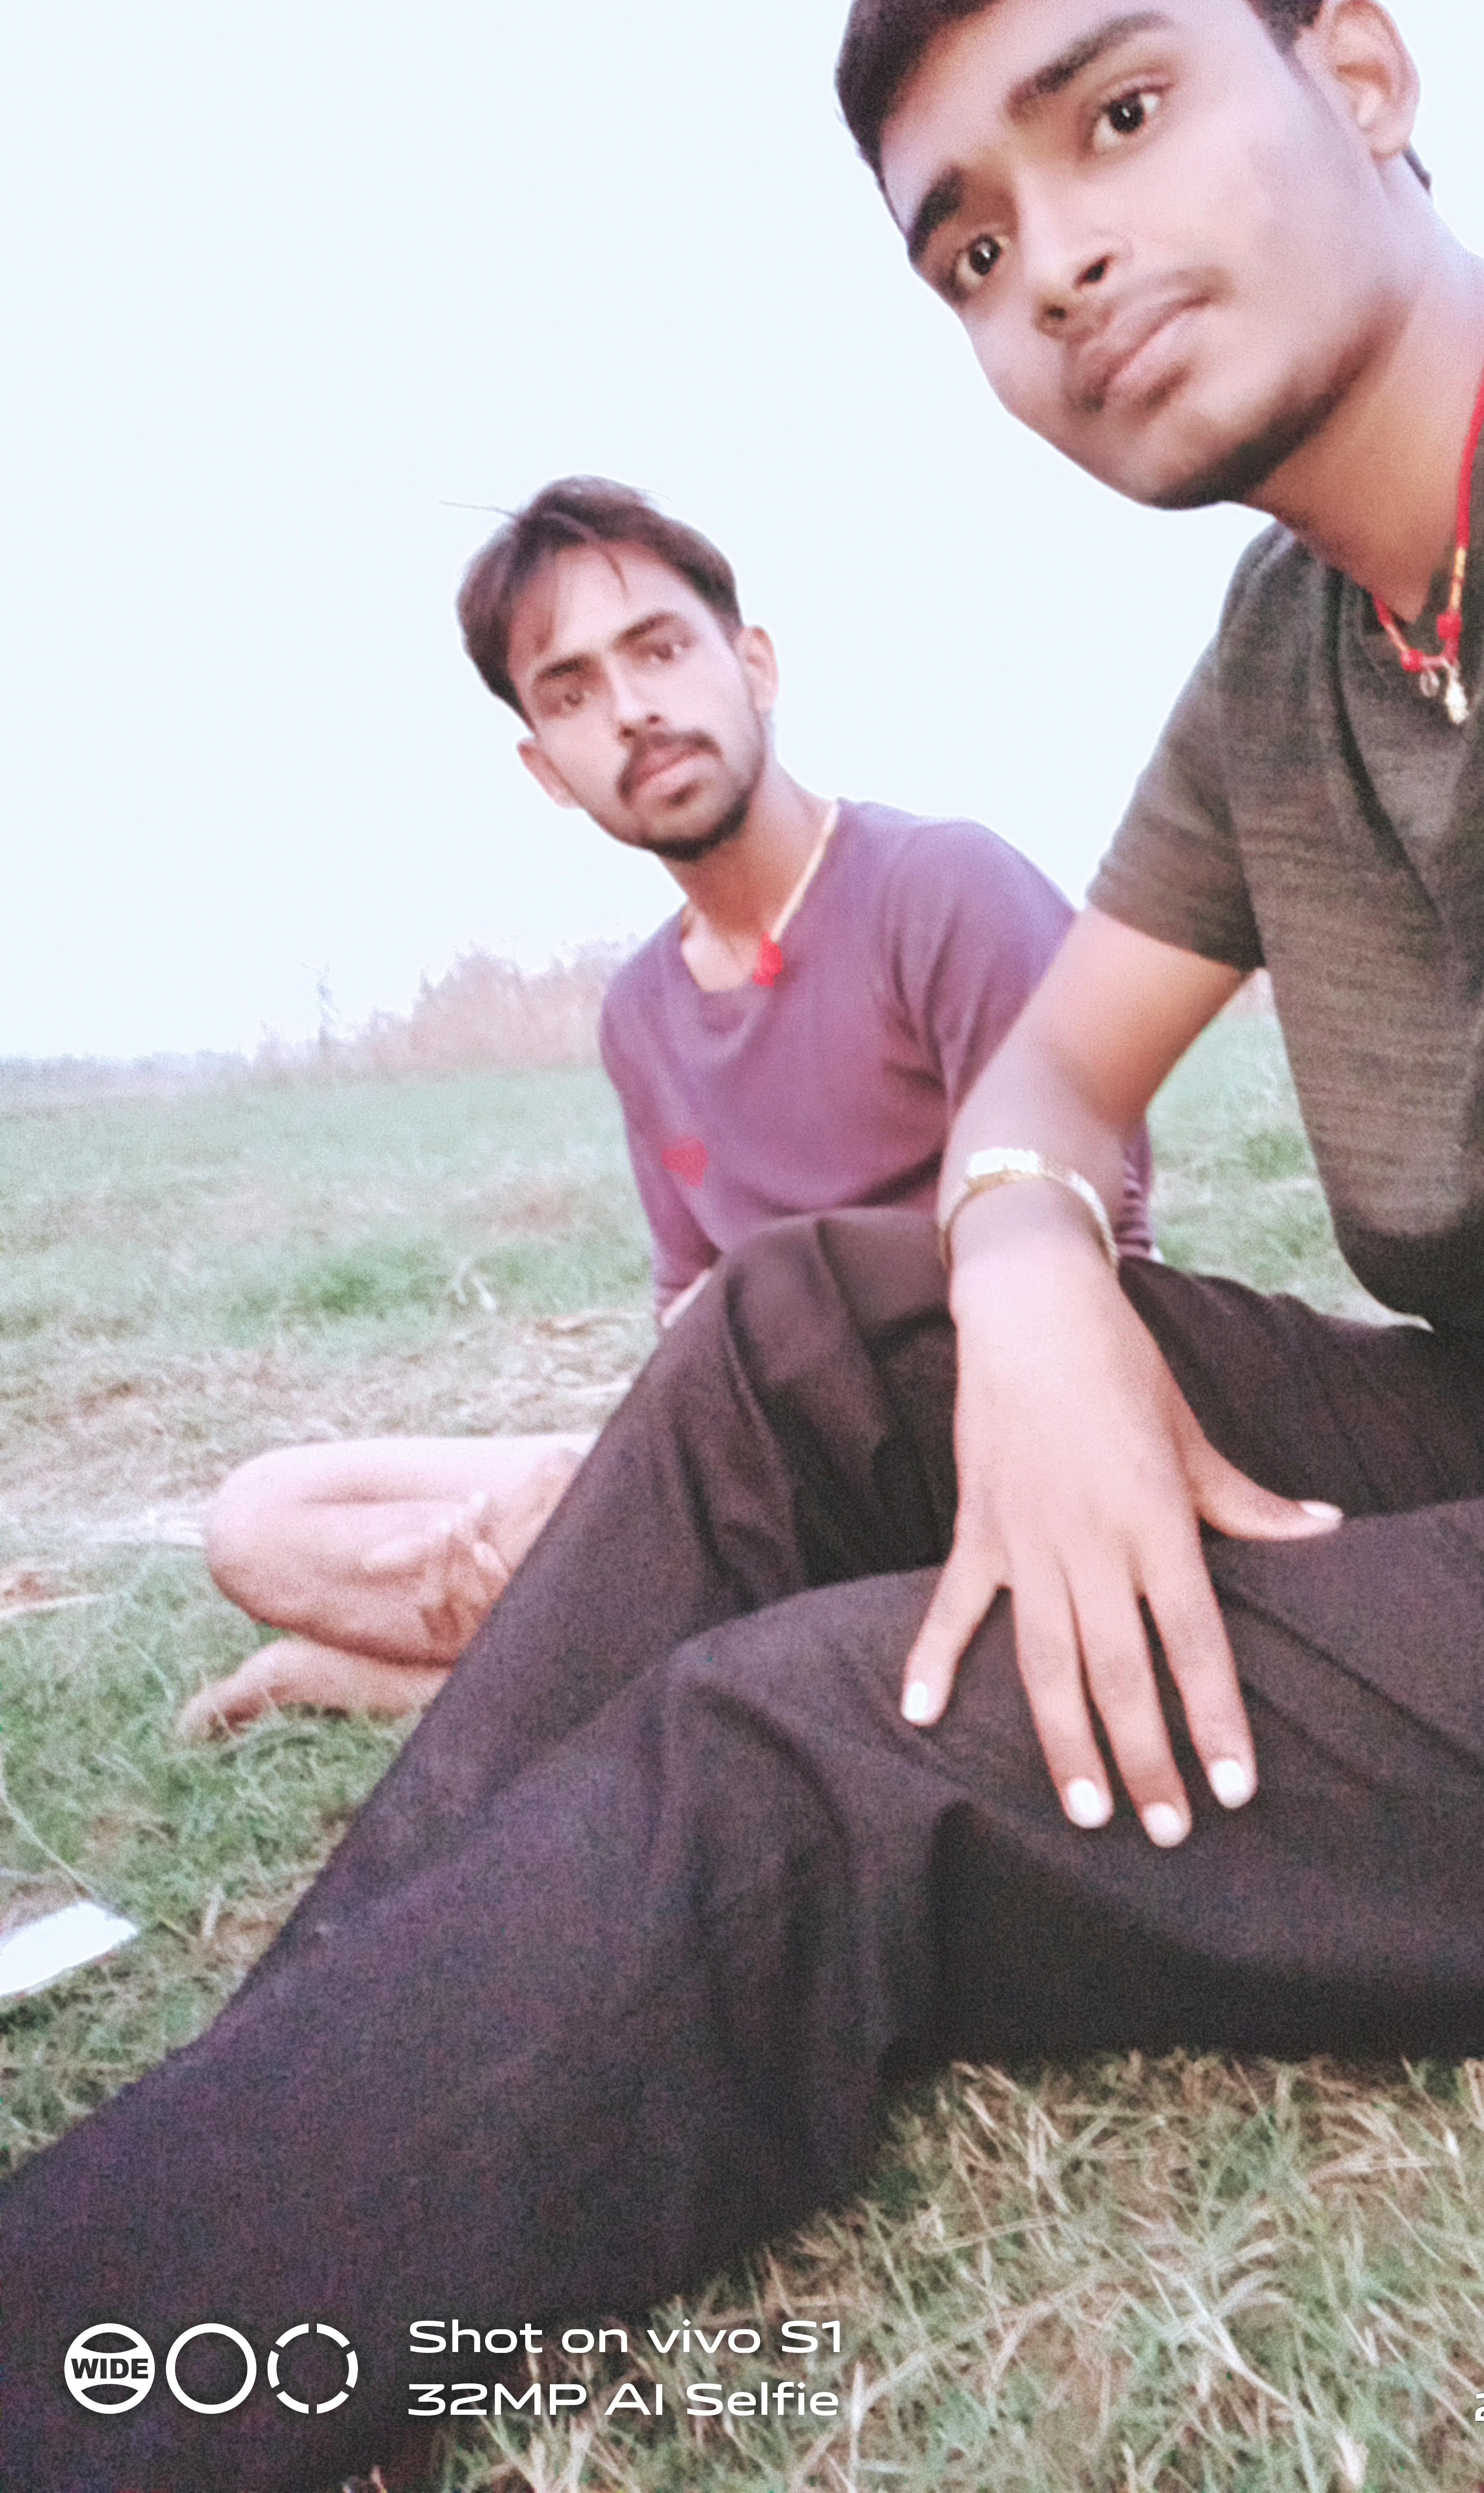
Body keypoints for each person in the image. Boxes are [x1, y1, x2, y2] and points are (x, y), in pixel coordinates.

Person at [2, 0, 1484, 2487]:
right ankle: (303, 2120)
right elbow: (1050, 1095)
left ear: (1361, 81)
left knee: (837, 1739)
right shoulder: (1278, 673)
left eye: (1125, 112)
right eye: (962, 246)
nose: (1046, 262)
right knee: (801, 1337)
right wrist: (1030, 1262)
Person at [182, 475, 1151, 1733]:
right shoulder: (639, 1012)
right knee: (262, 1520)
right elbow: (687, 1316)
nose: (634, 711)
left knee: (740, 1556)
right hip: (755, 1462)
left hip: (980, 1446)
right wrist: (601, 1488)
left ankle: (446, 1676)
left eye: (660, 651)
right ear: (546, 768)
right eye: (572, 691)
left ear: (753, 664)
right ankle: (552, 1637)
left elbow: (1103, 1253)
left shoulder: (941, 887)